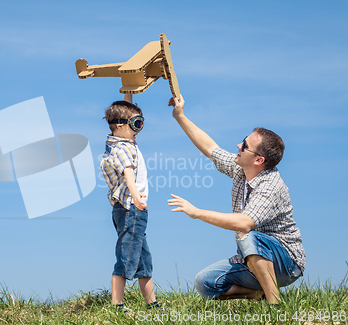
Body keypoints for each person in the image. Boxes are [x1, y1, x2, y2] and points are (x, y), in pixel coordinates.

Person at [166, 95, 306, 304]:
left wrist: (197, 213)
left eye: (245, 146)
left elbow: (244, 223)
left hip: (286, 263)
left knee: (248, 236)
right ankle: (258, 294)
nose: (238, 145)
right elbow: (210, 148)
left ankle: (275, 304)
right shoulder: (241, 169)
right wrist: (180, 116)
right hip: (251, 260)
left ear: (259, 160)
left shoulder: (271, 185)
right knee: (204, 282)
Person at [100, 94, 160, 312]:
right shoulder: (123, 148)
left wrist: (129, 96)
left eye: (141, 122)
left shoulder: (121, 141)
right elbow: (128, 174)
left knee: (143, 259)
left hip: (130, 209)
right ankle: (117, 305)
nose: (139, 127)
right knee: (126, 257)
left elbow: (126, 115)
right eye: (136, 123)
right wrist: (136, 197)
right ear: (120, 125)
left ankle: (152, 304)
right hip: (131, 208)